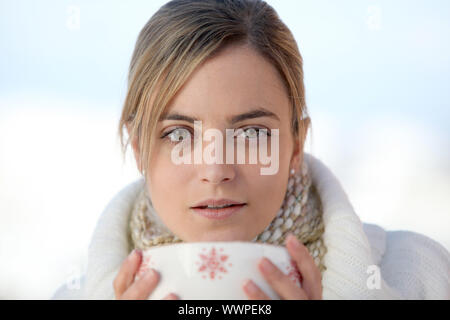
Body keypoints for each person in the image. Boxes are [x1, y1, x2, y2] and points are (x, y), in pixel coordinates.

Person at [52, 0, 449, 300]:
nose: (216, 169)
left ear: (296, 144)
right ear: (138, 149)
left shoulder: (420, 275)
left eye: (252, 133)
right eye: (178, 134)